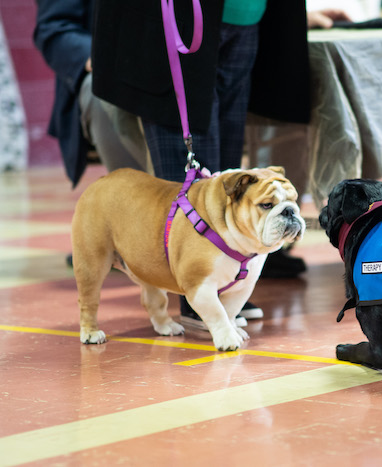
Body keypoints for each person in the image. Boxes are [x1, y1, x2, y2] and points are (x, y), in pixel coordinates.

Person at [91, 1, 349, 329]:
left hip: (246, 14)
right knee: (191, 164)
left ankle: (223, 286)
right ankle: (196, 290)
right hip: (181, 14)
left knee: (230, 173)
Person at [33, 0, 151, 188]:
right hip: (113, 74)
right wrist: (101, 57)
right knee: (101, 88)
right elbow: (53, 28)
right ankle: (136, 194)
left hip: (181, 68)